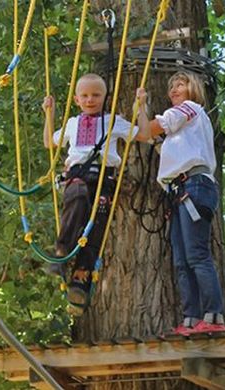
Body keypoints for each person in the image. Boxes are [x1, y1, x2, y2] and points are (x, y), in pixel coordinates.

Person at [43, 73, 149, 316]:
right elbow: (50, 142)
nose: (90, 100)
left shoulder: (113, 120)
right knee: (77, 199)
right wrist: (49, 115)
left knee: (96, 227)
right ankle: (61, 252)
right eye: (85, 96)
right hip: (78, 174)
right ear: (77, 100)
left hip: (103, 178)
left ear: (105, 97)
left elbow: (143, 135)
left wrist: (140, 108)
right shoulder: (72, 123)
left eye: (96, 95)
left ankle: (80, 281)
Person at [136, 71, 225, 334]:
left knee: (196, 254)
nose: (174, 90)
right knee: (182, 259)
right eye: (171, 86)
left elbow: (147, 131)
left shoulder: (190, 109)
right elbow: (148, 135)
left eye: (181, 84)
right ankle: (191, 318)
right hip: (181, 190)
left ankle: (213, 316)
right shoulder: (182, 132)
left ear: (193, 89)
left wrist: (141, 106)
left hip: (194, 186)